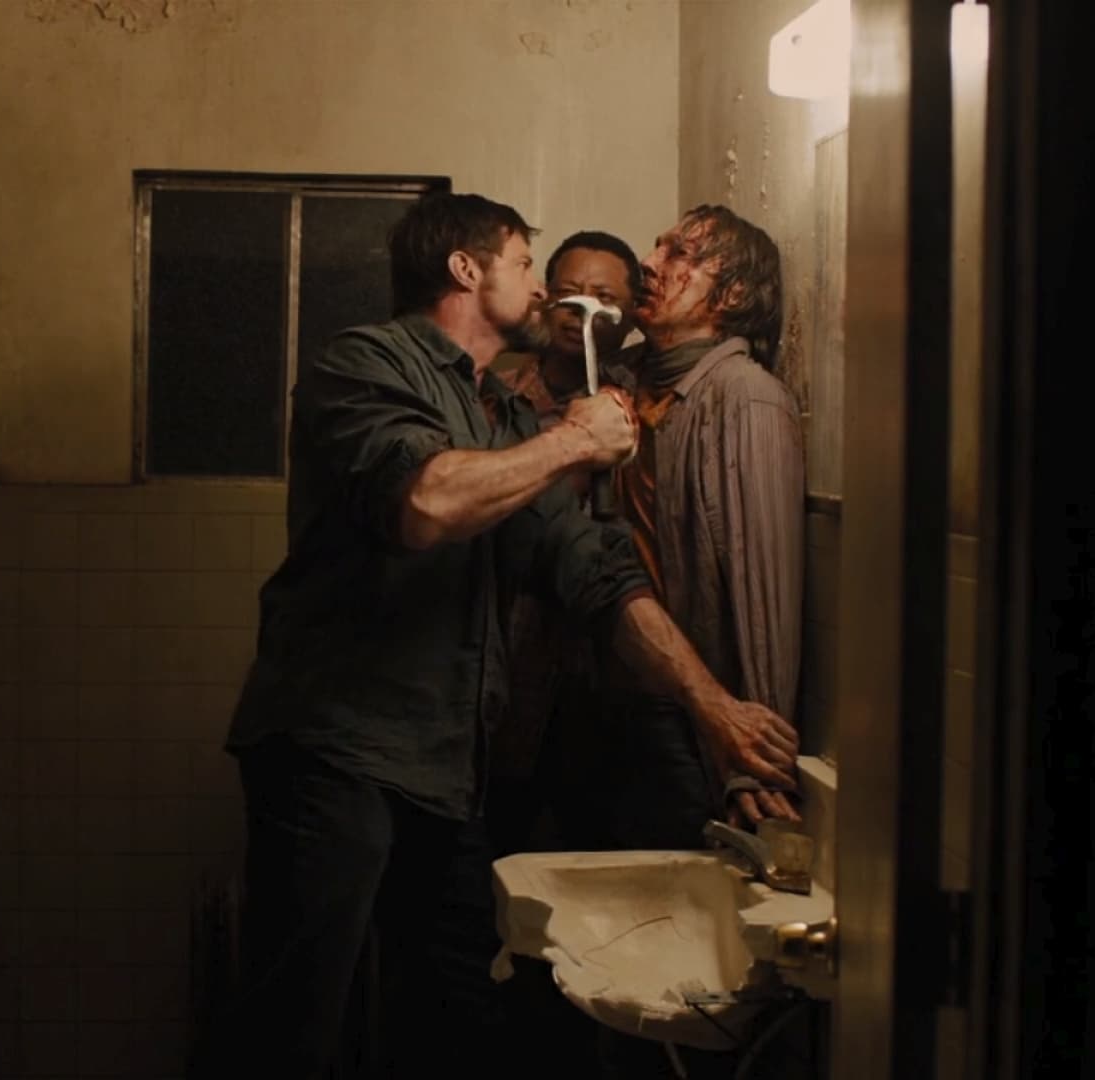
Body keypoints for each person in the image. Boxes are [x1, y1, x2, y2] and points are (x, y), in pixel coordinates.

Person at [194, 193, 799, 1080]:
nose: (542, 285)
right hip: (337, 753)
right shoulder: (362, 363)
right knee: (297, 1020)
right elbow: (426, 502)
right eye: (523, 263)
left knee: (461, 1013)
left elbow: (592, 572)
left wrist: (716, 710)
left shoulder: (498, 413)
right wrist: (572, 442)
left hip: (446, 770)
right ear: (466, 270)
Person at [590, 202, 807, 855]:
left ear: (732, 293)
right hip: (611, 696)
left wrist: (753, 755)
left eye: (678, 253)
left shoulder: (745, 397)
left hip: (687, 721)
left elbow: (764, 591)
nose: (649, 264)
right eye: (657, 247)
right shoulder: (623, 380)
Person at [484, 229, 644, 859]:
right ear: (546, 298)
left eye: (604, 298)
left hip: (613, 668)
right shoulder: (495, 395)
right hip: (513, 658)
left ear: (630, 315)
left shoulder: (647, 402)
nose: (582, 312)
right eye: (570, 293)